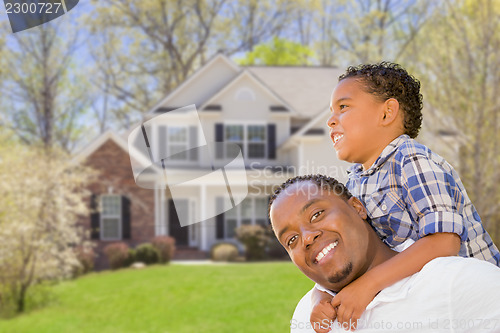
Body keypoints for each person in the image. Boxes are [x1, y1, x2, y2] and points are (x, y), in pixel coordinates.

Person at [305, 62, 500, 331]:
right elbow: (353, 250)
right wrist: (321, 296)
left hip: (469, 306)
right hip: (419, 301)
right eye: (332, 112)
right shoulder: (354, 181)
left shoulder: (411, 160)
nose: (331, 120)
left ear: (387, 113)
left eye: (344, 107)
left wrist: (369, 284)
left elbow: (444, 242)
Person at [268, 174, 500, 332]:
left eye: (317, 214)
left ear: (357, 207)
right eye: (292, 239)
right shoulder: (306, 316)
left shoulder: (458, 283)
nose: (307, 237)